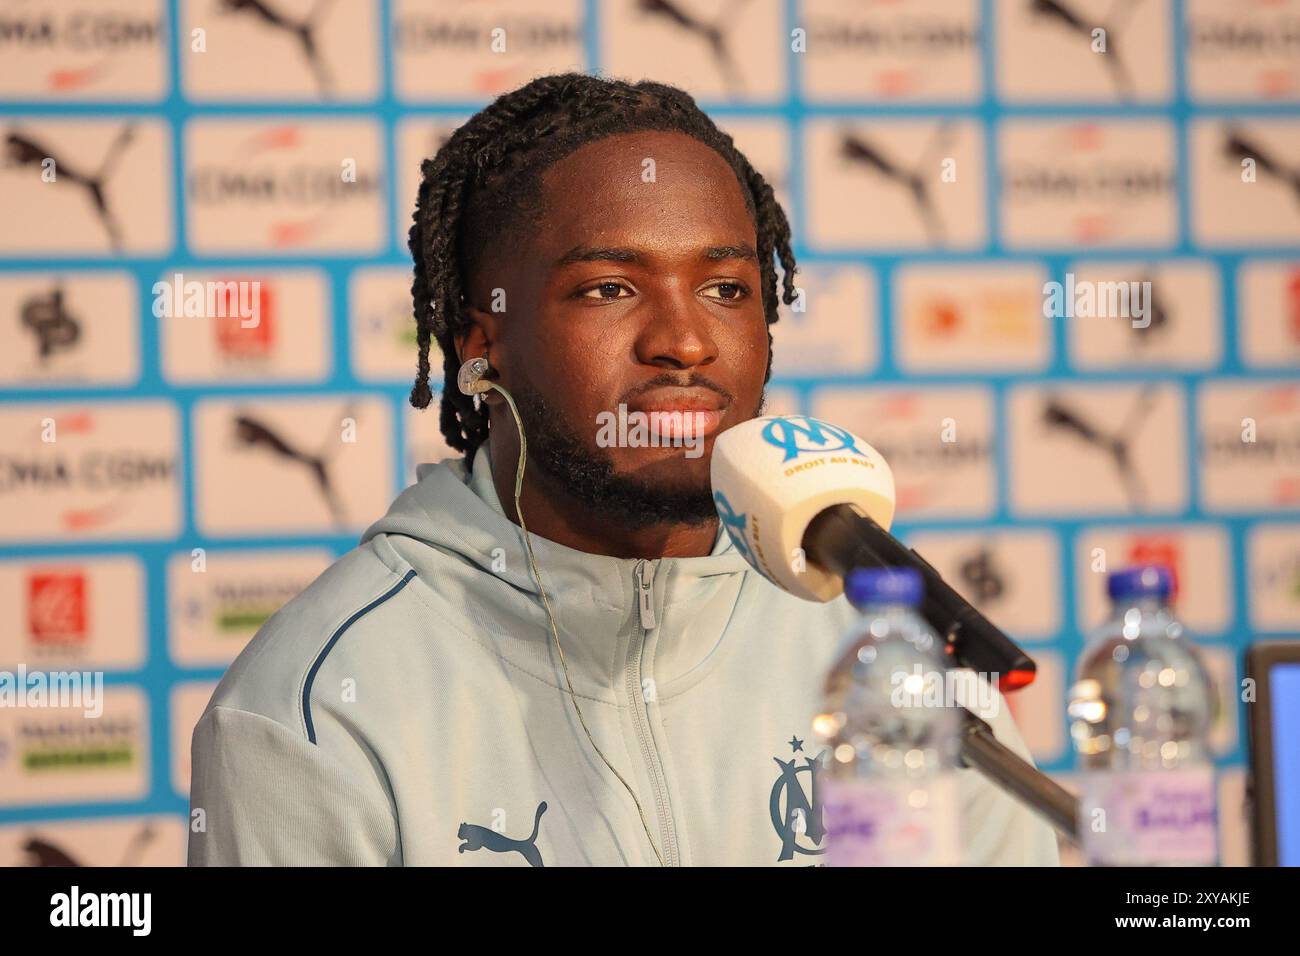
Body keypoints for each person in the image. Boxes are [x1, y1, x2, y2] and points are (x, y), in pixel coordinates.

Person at [187, 72, 1059, 866]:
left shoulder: (887, 646)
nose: (683, 340)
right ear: (479, 339)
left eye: (726, 289)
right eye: (609, 287)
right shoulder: (315, 709)